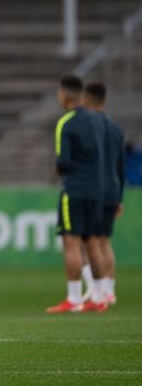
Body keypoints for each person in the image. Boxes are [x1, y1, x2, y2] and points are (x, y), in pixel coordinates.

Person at [47, 74, 108, 314]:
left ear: (64, 94)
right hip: (97, 190)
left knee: (71, 242)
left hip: (74, 189)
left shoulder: (67, 122)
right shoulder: (97, 121)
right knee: (94, 241)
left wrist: (56, 171)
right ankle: (100, 296)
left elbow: (63, 162)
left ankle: (73, 298)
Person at [83, 82, 125, 305]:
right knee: (105, 242)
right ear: (104, 100)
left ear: (86, 99)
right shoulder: (115, 128)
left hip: (93, 190)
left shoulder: (89, 127)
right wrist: (119, 197)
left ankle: (95, 290)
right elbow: (121, 165)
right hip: (112, 190)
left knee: (89, 242)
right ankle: (109, 290)